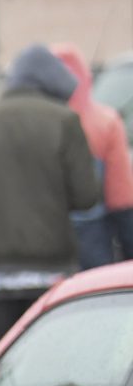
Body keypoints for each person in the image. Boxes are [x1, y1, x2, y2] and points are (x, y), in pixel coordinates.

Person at [0, 46, 99, 361]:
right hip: (53, 274)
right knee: (53, 370)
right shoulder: (64, 120)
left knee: (1, 377)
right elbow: (87, 196)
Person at [48, 46, 133, 266]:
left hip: (44, 252)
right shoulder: (106, 122)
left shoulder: (36, 125)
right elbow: (120, 198)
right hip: (93, 247)